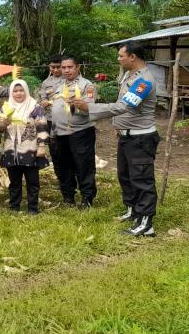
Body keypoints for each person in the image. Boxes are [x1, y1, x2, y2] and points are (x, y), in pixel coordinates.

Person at [73, 41, 159, 237]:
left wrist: (90, 108)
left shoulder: (145, 81)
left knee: (142, 179)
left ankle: (146, 224)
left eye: (121, 55)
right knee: (125, 175)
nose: (118, 59)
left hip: (141, 138)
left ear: (132, 57)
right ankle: (133, 211)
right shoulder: (129, 75)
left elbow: (124, 106)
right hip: (127, 136)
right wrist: (120, 126)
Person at [0, 79, 49, 214]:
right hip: (11, 151)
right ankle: (14, 207)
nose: (18, 94)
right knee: (14, 182)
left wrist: (41, 146)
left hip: (30, 149)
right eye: (15, 91)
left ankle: (33, 208)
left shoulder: (35, 108)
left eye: (21, 91)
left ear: (26, 91)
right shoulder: (6, 108)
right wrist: (3, 124)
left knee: (32, 181)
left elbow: (42, 127)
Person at [51, 56, 97, 208]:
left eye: (69, 67)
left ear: (78, 67)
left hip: (80, 131)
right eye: (63, 67)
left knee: (83, 165)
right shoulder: (59, 85)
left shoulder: (87, 86)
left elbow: (89, 108)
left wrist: (74, 104)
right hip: (59, 132)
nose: (66, 70)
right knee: (63, 165)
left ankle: (87, 199)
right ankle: (68, 197)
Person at [38, 55, 64, 184]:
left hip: (64, 120)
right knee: (54, 150)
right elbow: (42, 97)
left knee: (64, 149)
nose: (55, 70)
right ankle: (60, 178)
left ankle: (70, 178)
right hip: (50, 120)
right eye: (52, 67)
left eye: (58, 67)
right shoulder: (46, 82)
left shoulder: (68, 80)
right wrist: (43, 101)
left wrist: (51, 101)